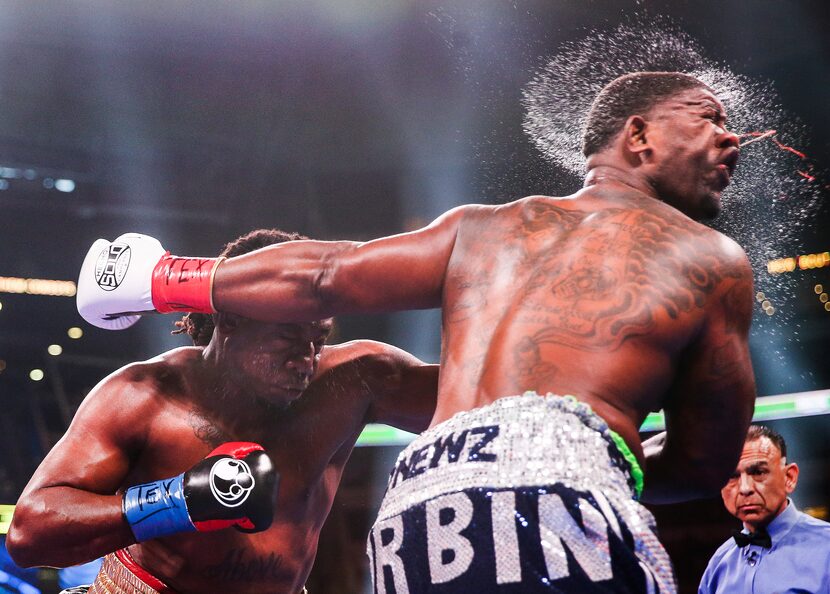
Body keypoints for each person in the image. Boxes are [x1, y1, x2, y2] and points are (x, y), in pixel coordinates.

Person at [74, 71, 757, 593]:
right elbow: (703, 465)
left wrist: (161, 277)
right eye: (709, 119)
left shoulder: (483, 228)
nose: (732, 138)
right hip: (564, 491)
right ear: (638, 136)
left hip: (422, 502)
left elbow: (328, 271)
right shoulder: (710, 259)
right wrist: (614, 458)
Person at [8, 229, 439, 594]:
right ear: (231, 321)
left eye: (318, 338)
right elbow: (30, 534)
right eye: (287, 338)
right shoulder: (143, 395)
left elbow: (489, 399)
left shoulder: (355, 380)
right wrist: (179, 501)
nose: (306, 358)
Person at [698, 425, 830, 594]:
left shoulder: (826, 548)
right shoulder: (719, 563)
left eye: (759, 472)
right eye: (732, 476)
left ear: (789, 477)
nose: (745, 488)